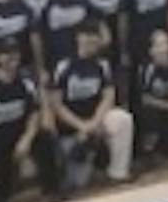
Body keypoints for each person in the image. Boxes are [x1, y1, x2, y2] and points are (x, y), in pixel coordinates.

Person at [49, 19, 133, 190]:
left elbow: (108, 97)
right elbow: (57, 105)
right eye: (87, 36)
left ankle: (117, 173)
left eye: (95, 37)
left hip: (96, 122)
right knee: (78, 183)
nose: (91, 41)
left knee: (122, 119)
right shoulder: (63, 66)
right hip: (72, 129)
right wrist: (82, 127)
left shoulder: (102, 65)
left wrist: (94, 123)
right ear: (78, 38)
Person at [0, 39, 58, 202]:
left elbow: (33, 114)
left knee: (45, 138)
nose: (11, 58)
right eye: (6, 54)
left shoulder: (25, 83)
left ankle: (52, 191)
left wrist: (27, 138)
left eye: (15, 54)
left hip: (20, 135)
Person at [135, 29, 168, 163]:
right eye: (159, 45)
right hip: (151, 108)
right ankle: (147, 151)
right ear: (151, 50)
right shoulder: (147, 68)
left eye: (165, 44)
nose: (163, 49)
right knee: (149, 115)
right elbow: (145, 99)